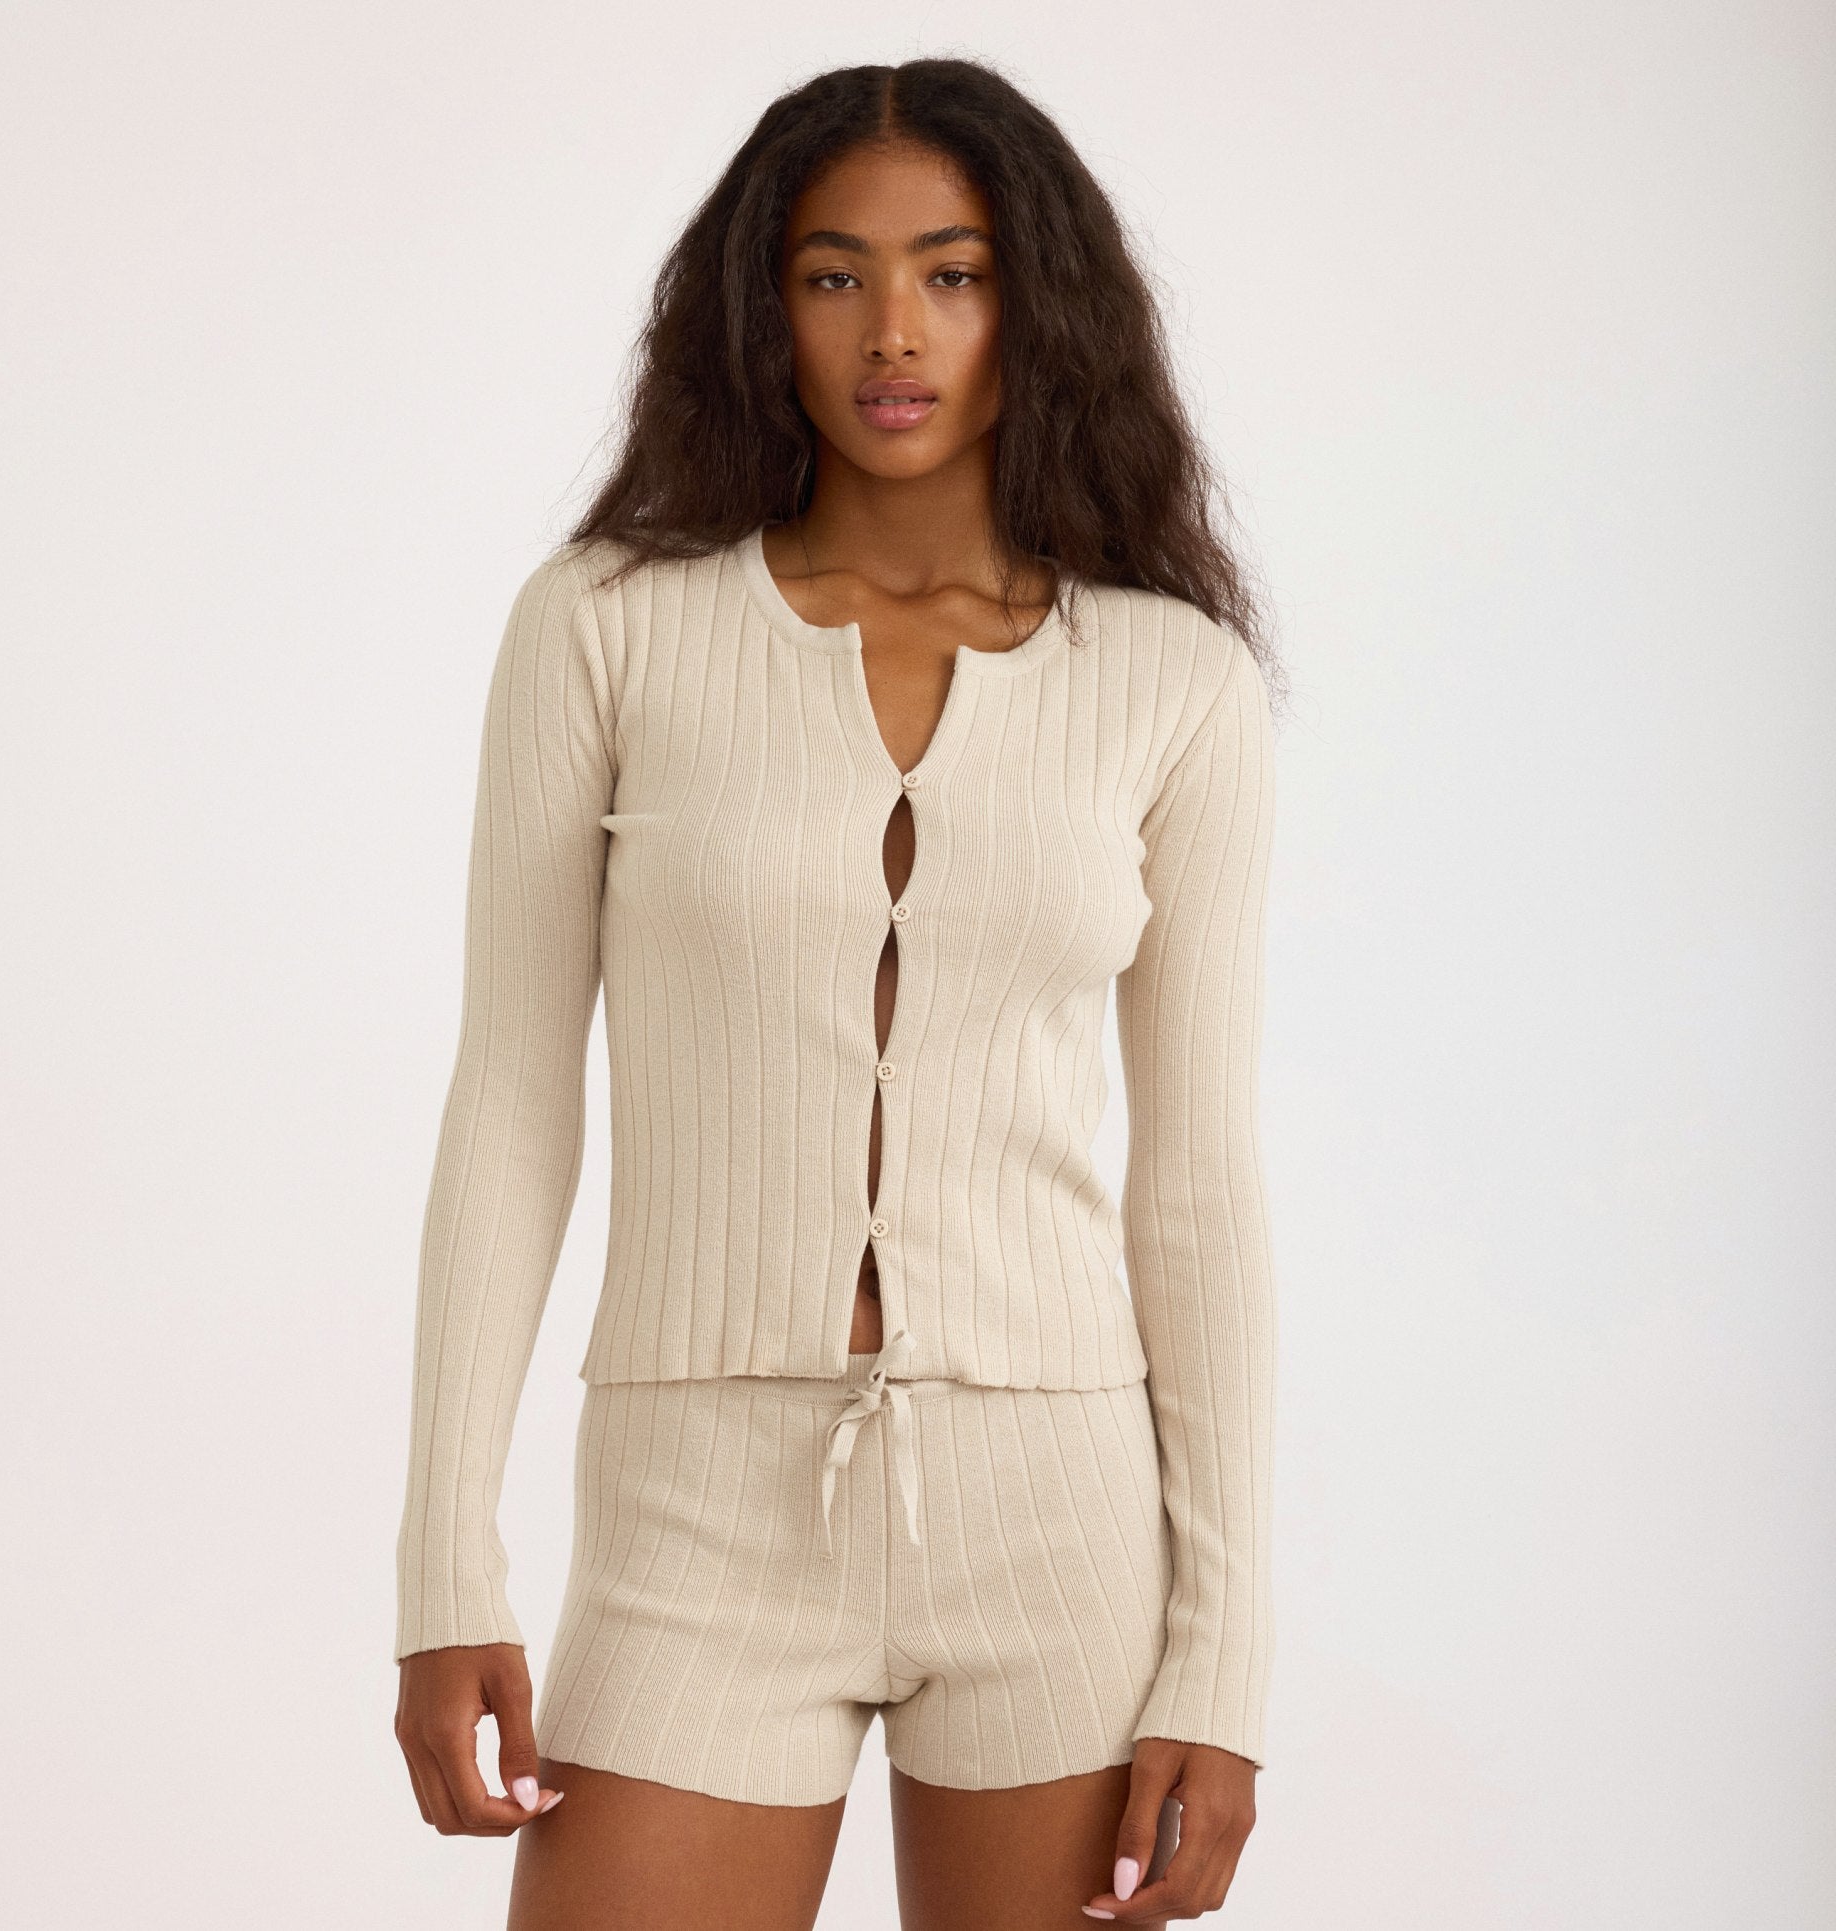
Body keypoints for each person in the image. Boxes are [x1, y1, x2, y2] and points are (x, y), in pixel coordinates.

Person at [392, 55, 1286, 1931]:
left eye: (954, 274)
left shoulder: (1175, 684)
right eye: (833, 274)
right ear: (760, 308)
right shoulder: (607, 627)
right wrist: (443, 1561)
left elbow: (1198, 1186)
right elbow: (512, 1102)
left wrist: (1224, 1660)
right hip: (694, 1502)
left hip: (1055, 1512)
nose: (894, 331)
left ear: (1038, 307)